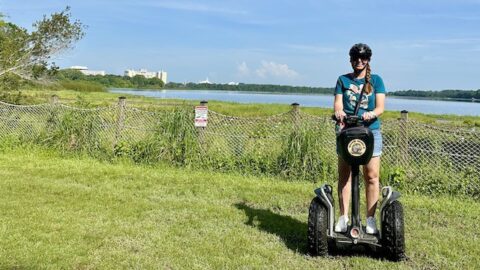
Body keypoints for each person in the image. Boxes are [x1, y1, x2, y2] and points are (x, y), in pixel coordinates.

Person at [333, 43, 386, 234]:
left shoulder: (377, 81)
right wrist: (339, 113)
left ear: (368, 60)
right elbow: (338, 105)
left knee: (371, 176)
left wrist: (371, 114)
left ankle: (370, 219)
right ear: (350, 59)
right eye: (355, 58)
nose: (359, 61)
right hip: (347, 132)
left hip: (370, 131)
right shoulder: (343, 80)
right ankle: (343, 217)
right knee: (345, 175)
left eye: (363, 58)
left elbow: (380, 107)